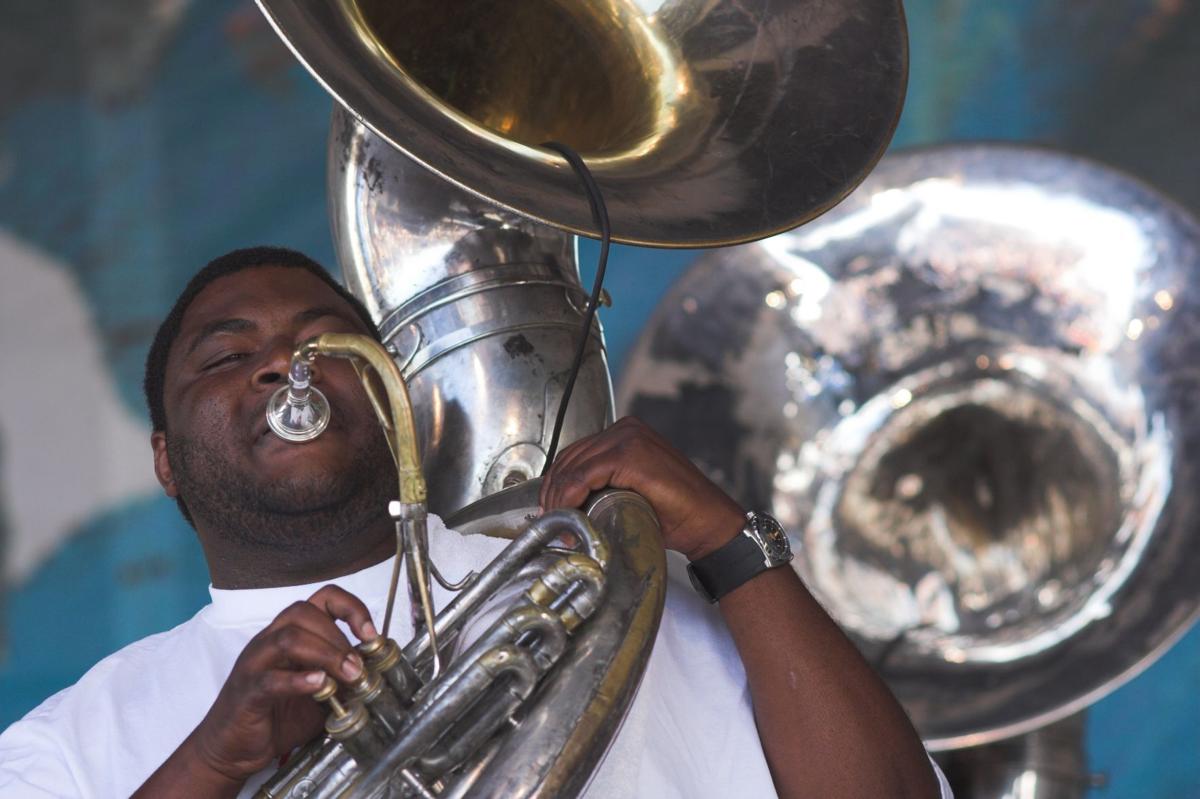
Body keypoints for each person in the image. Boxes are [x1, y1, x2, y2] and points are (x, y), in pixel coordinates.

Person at [0, 247, 952, 798]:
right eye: (226, 354)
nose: (284, 361)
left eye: (326, 339)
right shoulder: (68, 743)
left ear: (395, 399)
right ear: (165, 457)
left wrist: (728, 547)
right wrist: (216, 758)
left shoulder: (611, 583)